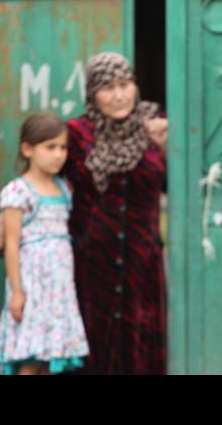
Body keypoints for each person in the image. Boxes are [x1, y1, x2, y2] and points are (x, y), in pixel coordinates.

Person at [62, 52, 168, 374]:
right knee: (94, 335)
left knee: (141, 335)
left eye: (125, 85)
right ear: (92, 93)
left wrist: (166, 147)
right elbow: (48, 181)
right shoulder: (76, 134)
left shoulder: (155, 126)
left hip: (142, 258)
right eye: (107, 87)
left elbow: (184, 184)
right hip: (92, 258)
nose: (119, 95)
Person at [0, 112, 90, 375]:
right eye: (50, 147)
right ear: (28, 149)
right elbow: (12, 243)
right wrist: (17, 291)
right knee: (29, 355)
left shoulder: (64, 188)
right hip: (32, 285)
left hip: (58, 290)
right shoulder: (19, 191)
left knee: (50, 355)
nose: (58, 155)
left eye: (62, 148)